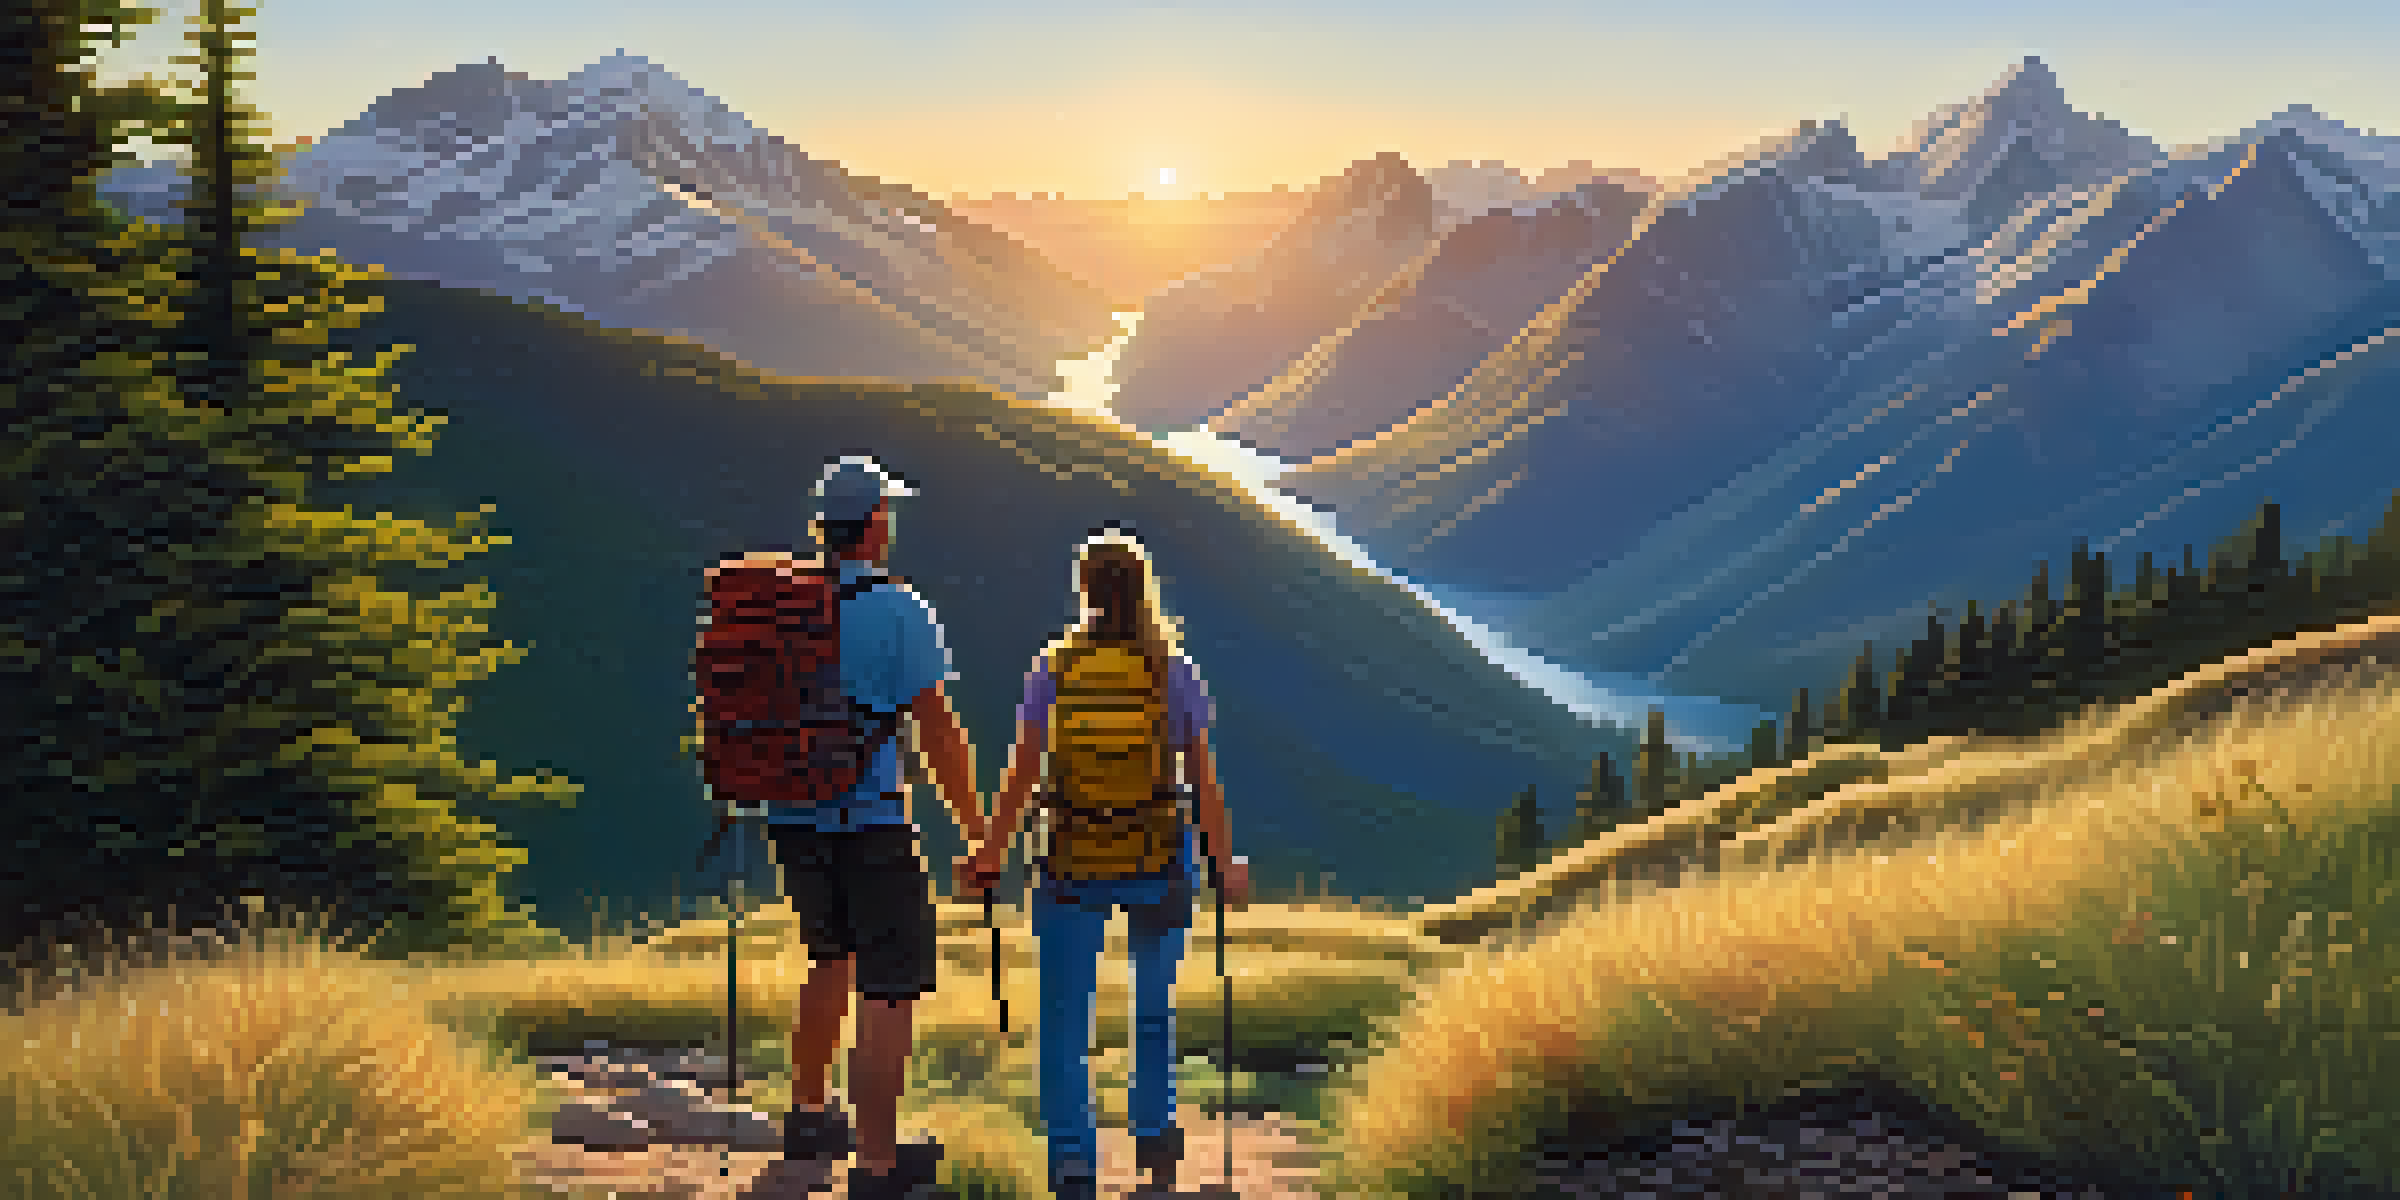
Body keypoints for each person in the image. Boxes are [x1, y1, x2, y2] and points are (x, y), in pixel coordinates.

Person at [956, 526, 1251, 1200]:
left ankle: (1073, 1162)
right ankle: (1153, 1132)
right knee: (1154, 1006)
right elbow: (1204, 781)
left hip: (1069, 861)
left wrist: (990, 852)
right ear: (1143, 589)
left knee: (1065, 1019)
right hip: (1158, 857)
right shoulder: (1170, 670)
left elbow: (1023, 774)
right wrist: (1225, 861)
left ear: (1083, 589)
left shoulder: (1053, 669)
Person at [743, 454, 984, 1199]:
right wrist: (977, 828)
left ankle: (809, 1115)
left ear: (824, 526)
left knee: (828, 957)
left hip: (792, 814)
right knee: (889, 986)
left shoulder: (785, 605)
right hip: (872, 822)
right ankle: (878, 1165)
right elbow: (937, 730)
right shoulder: (896, 607)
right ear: (875, 524)